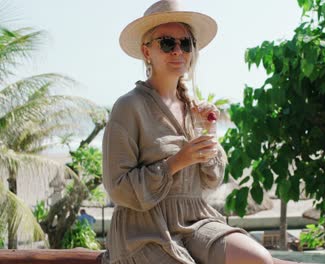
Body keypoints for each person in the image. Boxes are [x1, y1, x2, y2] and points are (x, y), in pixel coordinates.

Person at [102, 1, 305, 263]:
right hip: (143, 229)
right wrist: (176, 162)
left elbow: (212, 180)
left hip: (197, 221)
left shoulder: (192, 109)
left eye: (185, 43)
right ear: (146, 51)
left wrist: (209, 131)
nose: (178, 51)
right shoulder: (129, 107)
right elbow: (117, 188)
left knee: (258, 258)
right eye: (167, 43)